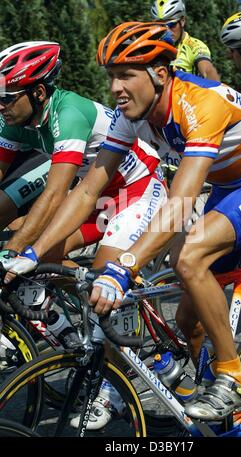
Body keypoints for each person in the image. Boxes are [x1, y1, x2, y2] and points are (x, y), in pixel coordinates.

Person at [2, 22, 241, 422]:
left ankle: (234, 376)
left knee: (189, 256)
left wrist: (123, 268)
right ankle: (215, 408)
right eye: (111, 77)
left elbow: (180, 202)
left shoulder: (198, 104)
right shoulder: (132, 115)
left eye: (125, 75)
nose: (114, 88)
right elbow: (89, 190)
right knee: (185, 317)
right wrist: (33, 252)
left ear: (160, 74)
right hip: (232, 182)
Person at [0, 40, 168, 430]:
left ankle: (111, 386)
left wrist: (17, 246)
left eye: (7, 98)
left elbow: (57, 193)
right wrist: (24, 251)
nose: (1, 106)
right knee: (40, 268)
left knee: (98, 278)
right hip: (95, 197)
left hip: (135, 191)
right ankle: (79, 343)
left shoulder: (69, 111)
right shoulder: (13, 120)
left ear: (37, 92)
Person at [151, 0, 220, 80]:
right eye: (161, 26)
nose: (167, 31)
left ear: (182, 21)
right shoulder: (152, 45)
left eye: (172, 25)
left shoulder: (195, 46)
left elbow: (209, 73)